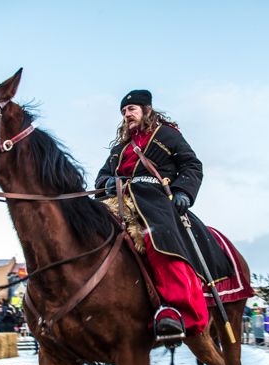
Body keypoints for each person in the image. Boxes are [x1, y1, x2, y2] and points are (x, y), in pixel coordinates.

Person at [94, 89, 233, 343]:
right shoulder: (119, 148)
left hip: (155, 198)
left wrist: (183, 192)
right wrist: (109, 182)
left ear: (147, 110)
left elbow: (191, 165)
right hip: (118, 199)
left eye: (132, 109)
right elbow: (102, 176)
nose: (127, 115)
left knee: (157, 236)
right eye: (124, 112)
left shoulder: (168, 135)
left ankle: (175, 310)